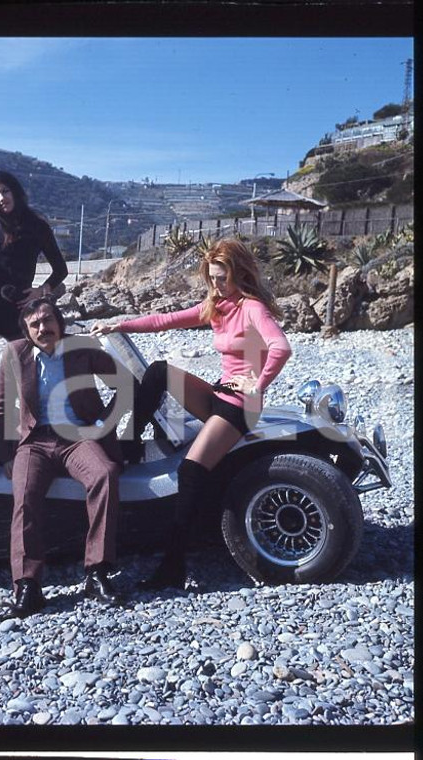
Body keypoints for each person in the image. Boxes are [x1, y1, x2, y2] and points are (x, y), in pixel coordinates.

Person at [91, 237, 292, 590]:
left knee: (189, 471)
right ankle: (131, 445)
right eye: (212, 277)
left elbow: (281, 348)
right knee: (158, 371)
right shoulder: (217, 305)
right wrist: (118, 325)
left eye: (222, 277)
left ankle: (174, 565)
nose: (216, 284)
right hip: (221, 391)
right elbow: (165, 320)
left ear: (239, 272)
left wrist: (259, 384)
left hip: (240, 405)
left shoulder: (252, 308)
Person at [0, 297, 128, 617]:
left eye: (48, 320)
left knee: (105, 474)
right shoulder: (15, 354)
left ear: (60, 322)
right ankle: (27, 586)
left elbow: (124, 384)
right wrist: (6, 456)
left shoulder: (80, 347)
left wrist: (102, 423)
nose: (43, 328)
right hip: (34, 442)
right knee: (24, 494)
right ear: (26, 332)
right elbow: (0, 408)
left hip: (78, 437)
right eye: (35, 324)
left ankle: (97, 573)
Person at [0, 171, 68, 450]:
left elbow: (61, 269)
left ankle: (30, 435)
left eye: (5, 192)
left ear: (16, 192)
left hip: (17, 312)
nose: (1, 199)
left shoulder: (37, 226)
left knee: (26, 375)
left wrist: (40, 292)